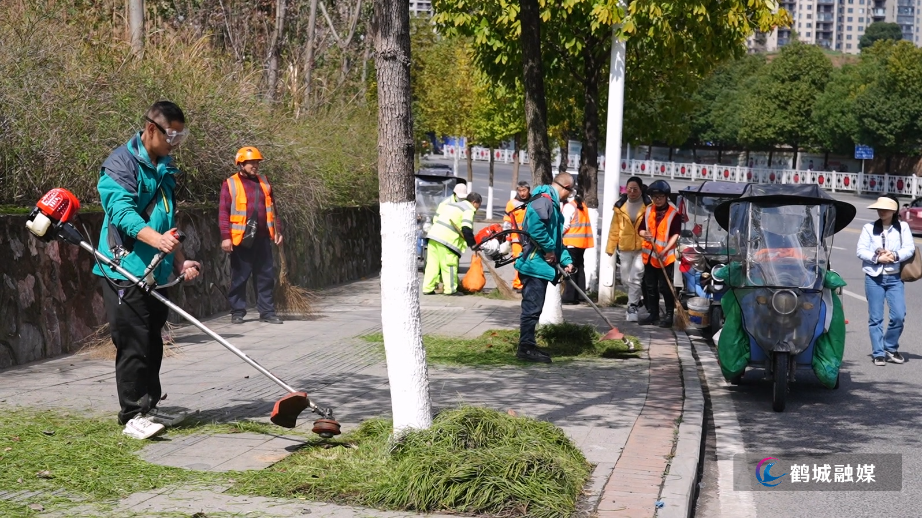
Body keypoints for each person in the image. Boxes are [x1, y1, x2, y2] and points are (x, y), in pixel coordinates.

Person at [94, 101, 201, 440]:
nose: (176, 143)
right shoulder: (120, 164)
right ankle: (131, 415)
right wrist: (156, 240)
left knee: (153, 341)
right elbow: (122, 213)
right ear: (152, 128)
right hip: (124, 269)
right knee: (133, 343)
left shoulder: (166, 168)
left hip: (158, 270)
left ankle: (149, 406)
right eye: (172, 135)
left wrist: (181, 258)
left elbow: (169, 221)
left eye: (181, 136)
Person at [514, 173, 576, 363]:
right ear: (564, 187)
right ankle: (526, 348)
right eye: (570, 191)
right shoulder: (544, 202)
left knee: (535, 308)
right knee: (531, 309)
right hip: (534, 264)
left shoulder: (552, 205)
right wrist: (548, 250)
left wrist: (566, 259)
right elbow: (536, 230)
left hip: (539, 265)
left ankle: (528, 345)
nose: (570, 195)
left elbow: (557, 239)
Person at [220, 146, 284, 325]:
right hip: (241, 239)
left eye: (257, 162)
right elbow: (223, 213)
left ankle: (267, 312)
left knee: (265, 276)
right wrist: (226, 236)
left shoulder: (264, 182)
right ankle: (237, 312)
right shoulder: (230, 184)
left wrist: (278, 231)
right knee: (240, 276)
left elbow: (273, 210)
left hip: (263, 237)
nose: (255, 165)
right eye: (251, 163)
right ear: (241, 164)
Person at [857, 196, 914, 366]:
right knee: (875, 318)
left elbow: (909, 248)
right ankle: (878, 353)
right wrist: (877, 257)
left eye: (885, 209)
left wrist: (895, 255)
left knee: (898, 315)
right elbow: (861, 250)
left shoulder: (902, 227)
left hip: (895, 277)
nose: (881, 212)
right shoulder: (869, 228)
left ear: (894, 210)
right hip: (874, 277)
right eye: (879, 209)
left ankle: (889, 346)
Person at [605, 176, 651, 321]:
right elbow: (614, 228)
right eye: (629, 188)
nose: (632, 191)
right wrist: (610, 247)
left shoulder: (648, 205)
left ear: (640, 189)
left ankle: (632, 308)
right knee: (625, 279)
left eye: (635, 189)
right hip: (625, 247)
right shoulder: (620, 206)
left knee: (636, 278)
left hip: (642, 247)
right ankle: (638, 300)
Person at [637, 180, 681, 328]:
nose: (657, 199)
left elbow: (675, 234)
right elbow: (641, 229)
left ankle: (669, 315)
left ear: (666, 197)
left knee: (665, 287)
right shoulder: (649, 210)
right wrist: (644, 234)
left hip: (665, 257)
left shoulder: (673, 214)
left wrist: (665, 250)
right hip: (649, 256)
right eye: (654, 197)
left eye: (660, 197)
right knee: (650, 286)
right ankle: (653, 314)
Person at [423, 192, 482, 296]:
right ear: (474, 203)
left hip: (433, 236)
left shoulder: (453, 205)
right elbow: (466, 228)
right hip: (447, 240)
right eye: (479, 205)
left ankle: (427, 288)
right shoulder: (468, 209)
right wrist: (473, 244)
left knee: (432, 265)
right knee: (449, 265)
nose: (478, 208)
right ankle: (450, 290)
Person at [561, 193, 594, 304]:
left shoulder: (570, 206)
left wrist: (556, 234)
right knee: (579, 268)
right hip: (581, 242)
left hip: (571, 242)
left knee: (570, 269)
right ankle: (580, 295)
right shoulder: (582, 206)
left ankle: (569, 297)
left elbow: (566, 225)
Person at [503, 181, 531, 291]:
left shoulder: (533, 202)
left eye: (524, 190)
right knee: (518, 260)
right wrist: (507, 238)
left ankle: (527, 283)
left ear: (528, 190)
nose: (522, 193)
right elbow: (507, 222)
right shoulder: (512, 203)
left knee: (529, 260)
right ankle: (518, 284)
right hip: (516, 238)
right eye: (520, 191)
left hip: (530, 238)